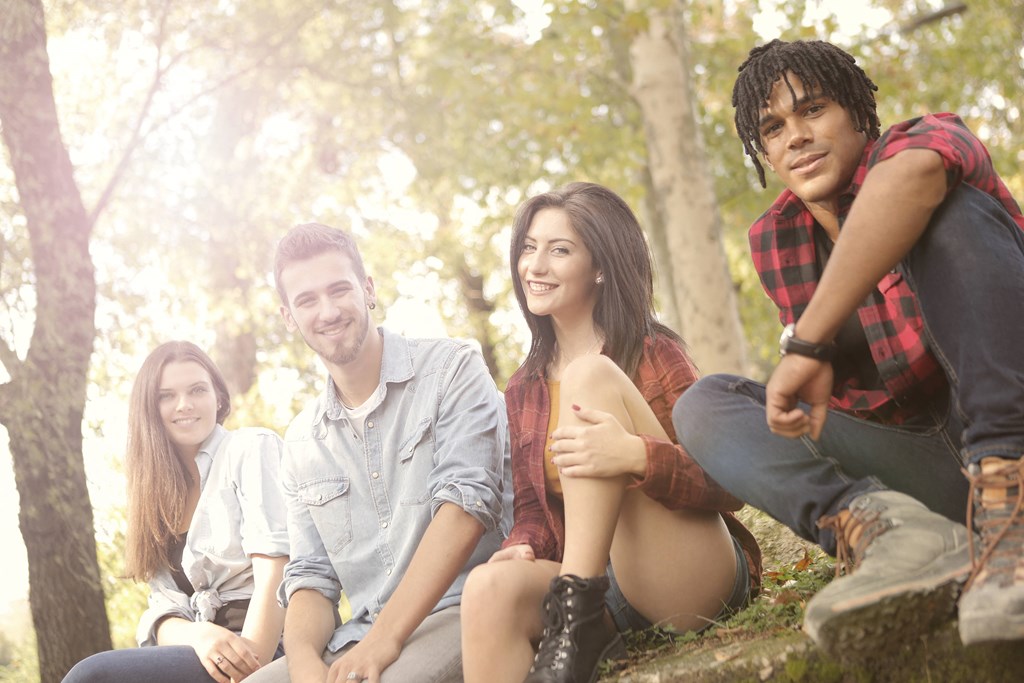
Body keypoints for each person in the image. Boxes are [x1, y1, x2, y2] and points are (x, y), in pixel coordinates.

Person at [673, 38, 1024, 657]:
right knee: (704, 404)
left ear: (858, 113)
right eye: (773, 128)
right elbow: (868, 402)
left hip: (1004, 432)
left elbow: (914, 178)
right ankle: (897, 536)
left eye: (813, 110)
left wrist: (807, 343)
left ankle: (1011, 501)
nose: (795, 137)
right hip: (932, 470)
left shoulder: (927, 141)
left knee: (952, 210)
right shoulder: (779, 239)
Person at [460, 182, 762, 683]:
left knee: (589, 374)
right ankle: (579, 621)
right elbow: (536, 509)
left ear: (599, 267)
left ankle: (575, 617)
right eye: (529, 248)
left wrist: (635, 456)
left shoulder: (653, 351)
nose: (535, 266)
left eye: (559, 250)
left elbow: (729, 485)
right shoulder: (523, 388)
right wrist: (523, 543)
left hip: (686, 577)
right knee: (487, 587)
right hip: (606, 596)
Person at [245, 222, 511, 683]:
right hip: (357, 636)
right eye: (306, 300)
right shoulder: (302, 442)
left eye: (339, 290)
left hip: (464, 608)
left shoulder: (452, 369)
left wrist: (383, 641)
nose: (327, 311)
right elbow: (311, 576)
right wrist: (305, 663)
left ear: (368, 290)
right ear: (288, 316)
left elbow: (468, 505)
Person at [64, 341, 289, 683]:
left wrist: (248, 667)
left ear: (219, 397)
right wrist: (200, 636)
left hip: (267, 646)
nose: (184, 405)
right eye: (165, 395)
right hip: (203, 649)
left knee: (92, 676)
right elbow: (164, 612)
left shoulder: (251, 448)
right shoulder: (154, 494)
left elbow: (276, 571)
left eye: (197, 389)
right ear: (150, 409)